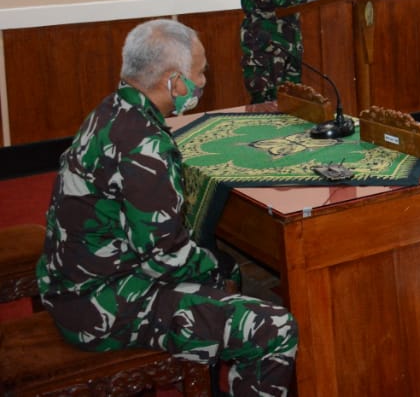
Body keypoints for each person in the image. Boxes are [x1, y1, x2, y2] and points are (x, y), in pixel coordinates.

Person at [37, 20, 297, 397]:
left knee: (222, 270)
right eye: (200, 72)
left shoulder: (112, 109)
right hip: (100, 306)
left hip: (72, 281)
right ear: (174, 81)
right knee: (274, 327)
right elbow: (164, 258)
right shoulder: (144, 145)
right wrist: (215, 265)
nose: (203, 81)